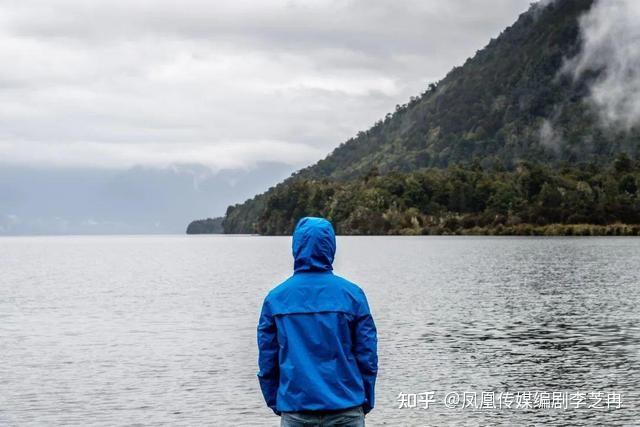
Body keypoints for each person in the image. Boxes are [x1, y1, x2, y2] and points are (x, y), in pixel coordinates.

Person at [257, 217, 378, 427]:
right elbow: (367, 357)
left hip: (296, 410)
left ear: (296, 246)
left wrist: (277, 402)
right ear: (330, 246)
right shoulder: (352, 295)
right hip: (346, 408)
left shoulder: (276, 299)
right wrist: (365, 399)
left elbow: (268, 361)